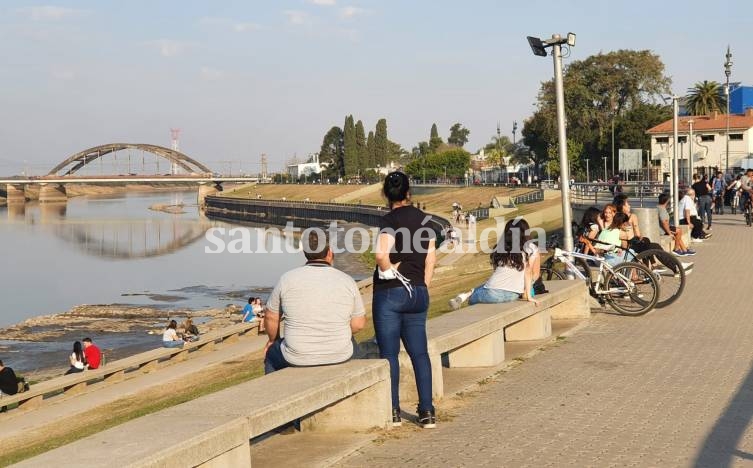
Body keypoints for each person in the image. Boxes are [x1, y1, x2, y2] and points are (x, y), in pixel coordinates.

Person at [372, 171, 437, 429]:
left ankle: (394, 411)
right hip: (418, 293)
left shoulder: (389, 220)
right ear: (409, 193)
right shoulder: (426, 221)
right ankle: (427, 411)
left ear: (387, 195)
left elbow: (380, 255)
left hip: (390, 293)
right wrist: (422, 285)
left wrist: (391, 272)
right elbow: (431, 259)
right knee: (419, 353)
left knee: (389, 354)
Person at [263, 230, 366, 375]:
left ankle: (273, 393)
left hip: (296, 357)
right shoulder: (347, 281)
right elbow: (358, 324)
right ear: (329, 252)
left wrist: (272, 340)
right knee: (354, 346)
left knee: (271, 354)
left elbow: (270, 317)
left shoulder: (287, 279)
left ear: (305, 252)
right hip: (340, 354)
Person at [448, 222, 538, 309]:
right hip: (513, 295)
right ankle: (463, 296)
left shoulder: (501, 248)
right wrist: (529, 297)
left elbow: (496, 275)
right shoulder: (532, 248)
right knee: (484, 286)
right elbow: (528, 272)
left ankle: (464, 296)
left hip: (491, 294)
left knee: (473, 298)